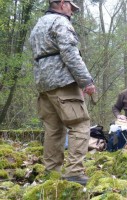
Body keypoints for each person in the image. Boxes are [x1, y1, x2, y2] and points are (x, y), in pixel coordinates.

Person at [29, 0, 96, 185]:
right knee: (80, 124)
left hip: (44, 84)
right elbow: (70, 53)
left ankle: (52, 173)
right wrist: (86, 81)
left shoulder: (38, 24)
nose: (72, 12)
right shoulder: (61, 22)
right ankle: (74, 171)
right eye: (71, 7)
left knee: (54, 129)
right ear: (61, 3)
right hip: (63, 82)